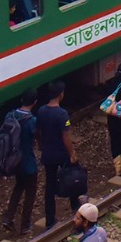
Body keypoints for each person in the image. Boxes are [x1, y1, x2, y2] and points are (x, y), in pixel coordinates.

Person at [36, 82, 78, 225]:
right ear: (61, 94)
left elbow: (38, 131)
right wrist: (72, 153)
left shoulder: (41, 111)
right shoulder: (62, 114)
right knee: (72, 178)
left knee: (50, 186)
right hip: (61, 153)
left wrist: (42, 145)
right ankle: (75, 206)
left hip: (48, 154)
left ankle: (50, 219)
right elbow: (65, 136)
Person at [0, 94, 38, 235]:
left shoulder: (10, 115)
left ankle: (8, 218)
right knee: (30, 191)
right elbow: (36, 136)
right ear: (34, 102)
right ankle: (25, 224)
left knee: (18, 186)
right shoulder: (32, 120)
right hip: (27, 161)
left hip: (13, 161)